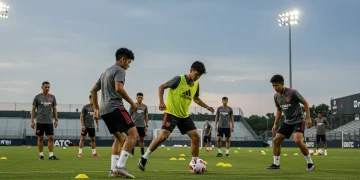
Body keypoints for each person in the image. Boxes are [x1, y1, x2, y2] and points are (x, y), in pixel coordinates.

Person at [138, 61, 214, 171]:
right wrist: (161, 102)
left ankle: (195, 162)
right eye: (196, 74)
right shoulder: (179, 79)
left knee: (195, 137)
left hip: (184, 116)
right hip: (171, 113)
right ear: (191, 70)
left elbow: (196, 99)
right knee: (163, 136)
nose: (197, 77)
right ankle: (144, 158)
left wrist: (207, 107)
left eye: (199, 76)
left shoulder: (196, 84)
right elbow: (161, 87)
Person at [91, 47, 138, 178]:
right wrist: (132, 103)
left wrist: (96, 108)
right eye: (128, 62)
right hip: (115, 107)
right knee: (133, 135)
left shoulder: (106, 72)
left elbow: (93, 90)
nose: (128, 65)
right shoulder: (120, 70)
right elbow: (119, 88)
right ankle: (120, 167)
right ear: (122, 60)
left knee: (119, 138)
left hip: (104, 110)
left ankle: (113, 170)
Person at [265, 74, 315, 171]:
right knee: (276, 140)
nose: (275, 88)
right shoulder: (276, 96)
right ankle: (276, 165)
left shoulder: (293, 93)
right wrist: (275, 123)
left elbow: (305, 103)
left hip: (298, 120)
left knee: (297, 140)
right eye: (273, 86)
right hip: (287, 122)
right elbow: (279, 110)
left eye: (276, 85)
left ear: (282, 84)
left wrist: (308, 118)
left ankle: (310, 163)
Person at [31, 81, 60, 160]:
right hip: (40, 121)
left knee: (51, 138)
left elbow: (54, 109)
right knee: (40, 138)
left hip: (49, 122)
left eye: (48, 87)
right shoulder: (37, 97)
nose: (47, 88)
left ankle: (51, 155)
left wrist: (56, 120)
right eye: (46, 87)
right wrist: (32, 121)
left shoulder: (52, 97)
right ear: (42, 87)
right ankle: (41, 155)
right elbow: (33, 109)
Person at [129, 92, 149, 157]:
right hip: (134, 125)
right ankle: (132, 153)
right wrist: (129, 124)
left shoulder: (145, 106)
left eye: (140, 97)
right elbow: (129, 115)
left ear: (142, 98)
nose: (139, 99)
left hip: (142, 126)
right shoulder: (133, 105)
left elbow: (146, 116)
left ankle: (142, 154)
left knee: (141, 139)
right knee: (133, 139)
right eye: (138, 97)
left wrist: (146, 125)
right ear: (136, 98)